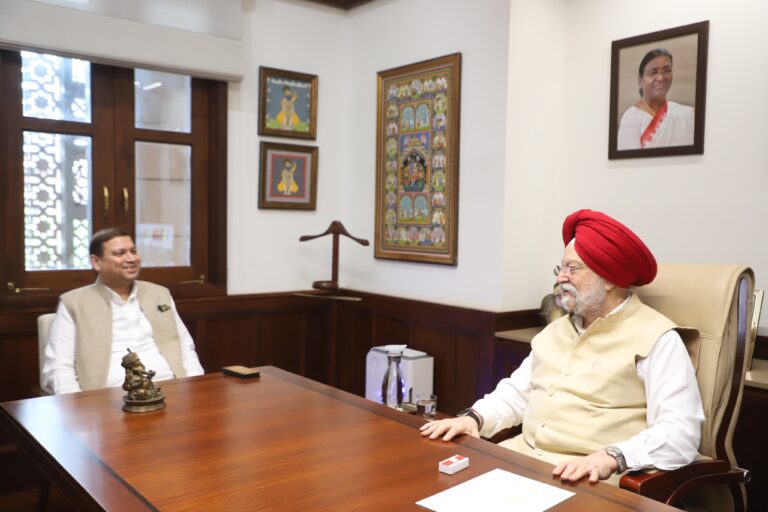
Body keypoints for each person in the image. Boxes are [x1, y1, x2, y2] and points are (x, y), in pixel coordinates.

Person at [421, 209, 704, 485]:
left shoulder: (659, 339)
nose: (560, 278)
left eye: (573, 269)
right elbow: (518, 393)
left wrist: (610, 458)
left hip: (589, 483)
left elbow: (681, 433)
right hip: (521, 464)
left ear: (609, 279)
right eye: (561, 268)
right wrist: (475, 419)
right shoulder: (555, 330)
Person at [42, 227, 204, 394]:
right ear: (96, 262)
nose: (131, 258)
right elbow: (59, 367)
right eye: (120, 253)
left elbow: (184, 345)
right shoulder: (74, 303)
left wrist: (194, 384)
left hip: (170, 390)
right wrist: (81, 406)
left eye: (133, 251)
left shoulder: (159, 294)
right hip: (105, 399)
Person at [616, 48, 695, 150]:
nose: (661, 78)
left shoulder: (687, 115)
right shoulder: (631, 117)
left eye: (667, 70)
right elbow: (628, 162)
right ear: (640, 80)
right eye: (653, 72)